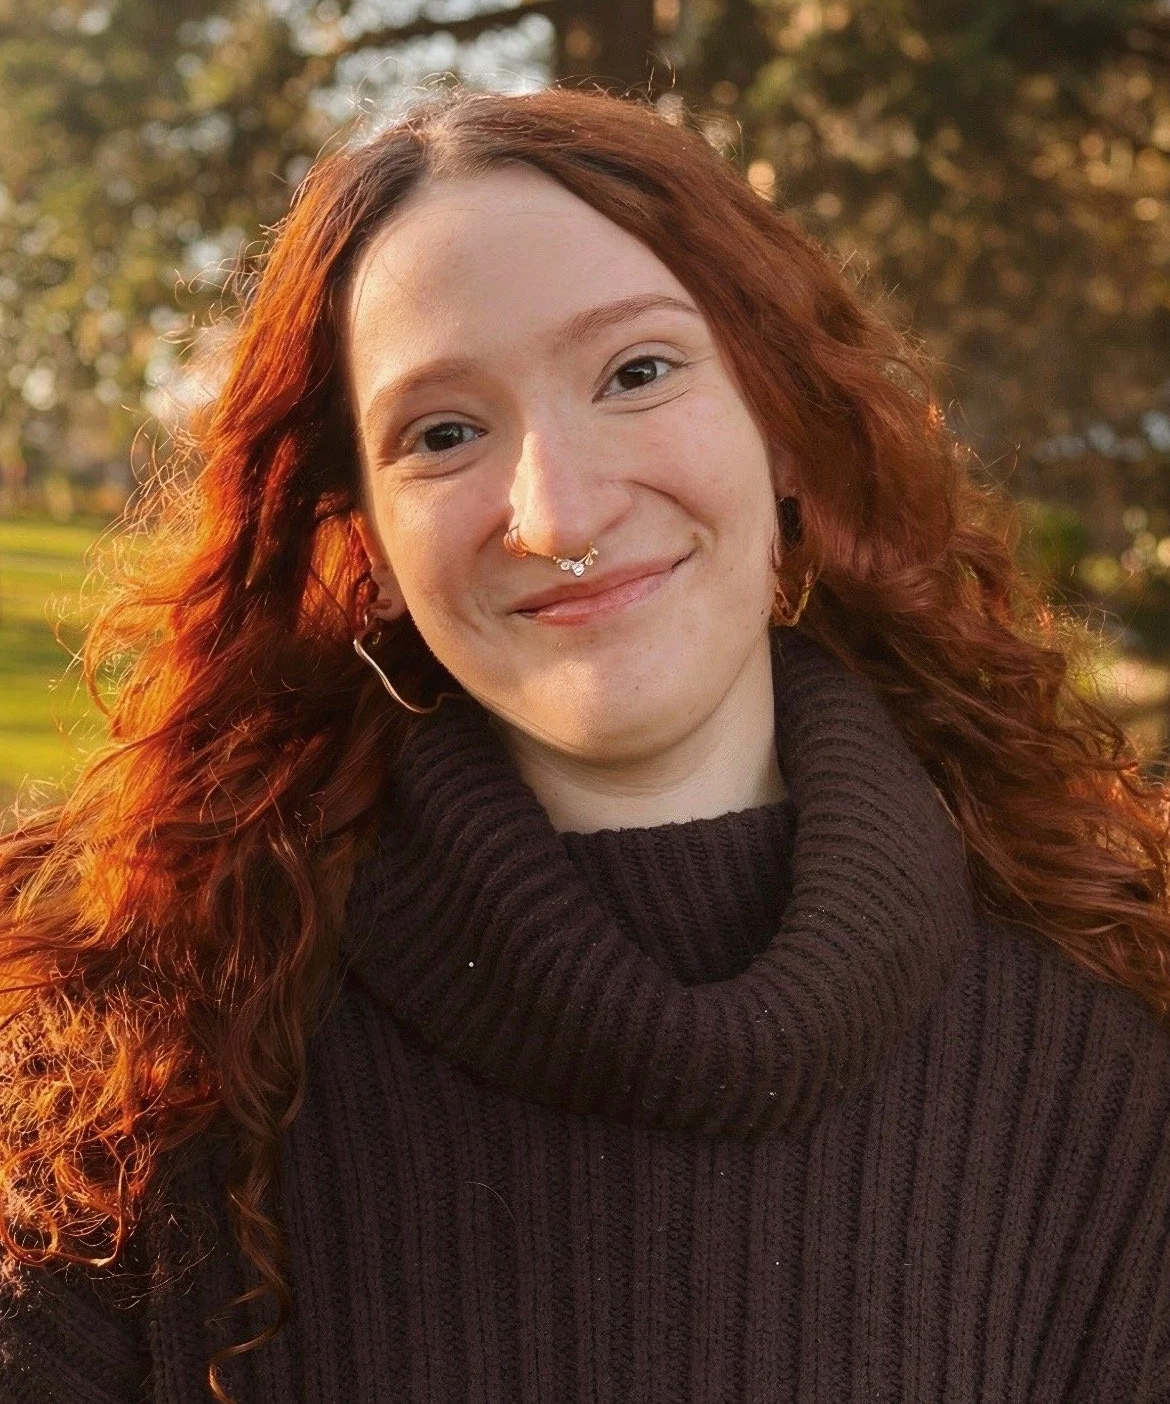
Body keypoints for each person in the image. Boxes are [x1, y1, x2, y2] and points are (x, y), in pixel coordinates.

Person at [2, 84, 1170, 1404]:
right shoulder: (127, 1086)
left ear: (784, 426)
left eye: (637, 372)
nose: (558, 514)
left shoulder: (1113, 1049)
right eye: (445, 434)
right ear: (365, 548)